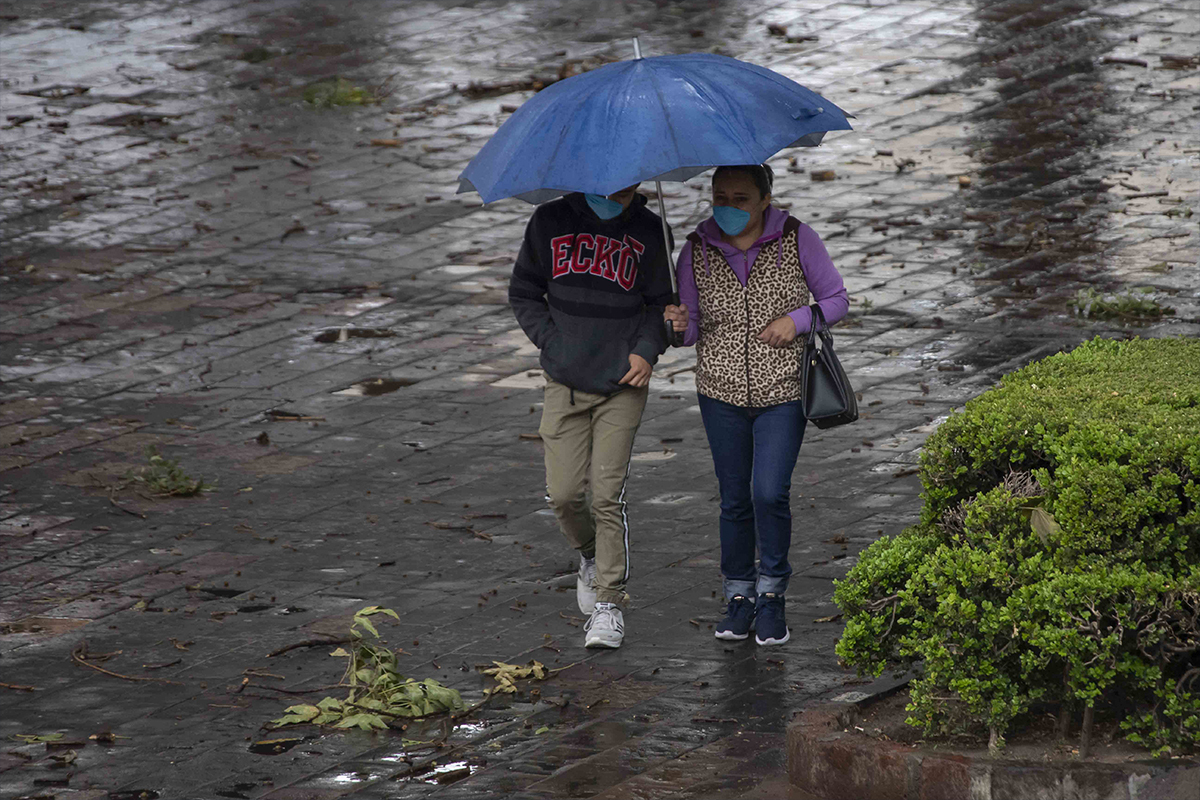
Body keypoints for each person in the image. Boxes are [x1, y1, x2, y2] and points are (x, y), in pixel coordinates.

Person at [663, 164, 848, 646]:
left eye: (740, 198)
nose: (728, 206)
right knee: (735, 498)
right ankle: (739, 594)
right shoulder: (696, 250)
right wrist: (679, 325)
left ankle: (772, 594)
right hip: (718, 392)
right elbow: (692, 330)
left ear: (766, 199)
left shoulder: (796, 238)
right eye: (719, 196)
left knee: (769, 492)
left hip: (783, 392)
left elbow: (836, 300)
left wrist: (799, 319)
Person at [509, 185, 673, 649]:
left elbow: (663, 306)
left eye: (630, 182)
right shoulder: (549, 222)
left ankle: (609, 603)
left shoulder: (651, 231)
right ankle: (587, 555)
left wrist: (646, 350)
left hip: (623, 383)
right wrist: (553, 343)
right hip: (564, 380)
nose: (620, 191)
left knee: (606, 495)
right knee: (562, 494)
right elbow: (523, 293)